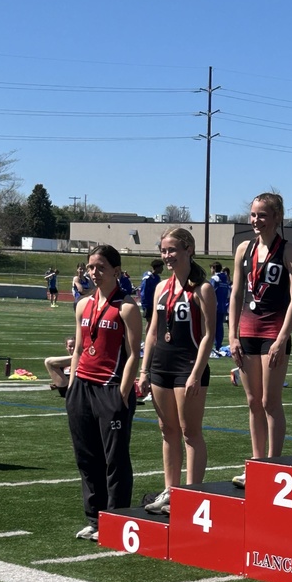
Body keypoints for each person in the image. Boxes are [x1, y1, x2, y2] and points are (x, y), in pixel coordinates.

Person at [65, 245, 142, 540]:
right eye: (90, 268)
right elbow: (81, 347)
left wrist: (123, 391)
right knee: (86, 457)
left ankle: (117, 518)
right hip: (82, 387)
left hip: (111, 389)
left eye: (100, 268)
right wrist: (72, 383)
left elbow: (135, 352)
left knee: (115, 458)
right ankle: (94, 518)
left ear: (116, 271)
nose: (94, 273)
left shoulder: (126, 307)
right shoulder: (84, 304)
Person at [228, 193, 292, 488]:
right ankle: (256, 462)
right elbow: (236, 294)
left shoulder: (289, 251)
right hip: (246, 332)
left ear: (276, 218)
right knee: (252, 401)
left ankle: (274, 463)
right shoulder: (243, 249)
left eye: (262, 215)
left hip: (273, 333)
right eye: (253, 215)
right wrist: (232, 334)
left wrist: (283, 337)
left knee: (270, 401)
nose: (256, 220)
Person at [139, 227, 216, 515]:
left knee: (189, 432)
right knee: (166, 430)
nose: (167, 255)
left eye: (172, 250)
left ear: (188, 250)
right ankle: (170, 491)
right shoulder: (161, 287)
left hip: (188, 366)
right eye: (163, 251)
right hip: (161, 365)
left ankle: (192, 492)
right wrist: (144, 370)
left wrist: (197, 372)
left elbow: (210, 335)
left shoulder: (202, 289)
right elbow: (153, 331)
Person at [210, 261, 231, 352]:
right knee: (219, 326)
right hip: (222, 306)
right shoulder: (225, 279)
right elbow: (228, 294)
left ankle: (214, 346)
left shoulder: (215, 278)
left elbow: (210, 292)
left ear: (214, 268)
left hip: (214, 306)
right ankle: (218, 345)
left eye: (211, 268)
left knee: (211, 326)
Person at [138, 258, 164, 327]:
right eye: (161, 267)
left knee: (155, 322)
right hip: (148, 304)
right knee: (150, 322)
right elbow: (143, 292)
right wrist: (145, 304)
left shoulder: (157, 277)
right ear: (157, 268)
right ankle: (148, 337)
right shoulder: (148, 278)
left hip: (154, 303)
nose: (162, 269)